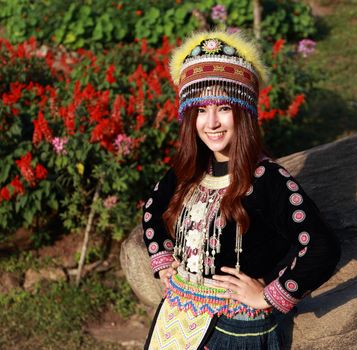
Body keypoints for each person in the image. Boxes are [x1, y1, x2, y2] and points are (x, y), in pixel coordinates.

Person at [142, 30, 340, 350]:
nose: (212, 122)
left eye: (223, 108)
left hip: (235, 331)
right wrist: (163, 258)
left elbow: (322, 246)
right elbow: (151, 207)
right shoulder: (188, 171)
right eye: (201, 110)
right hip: (175, 320)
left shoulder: (267, 180)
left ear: (243, 111)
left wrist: (269, 295)